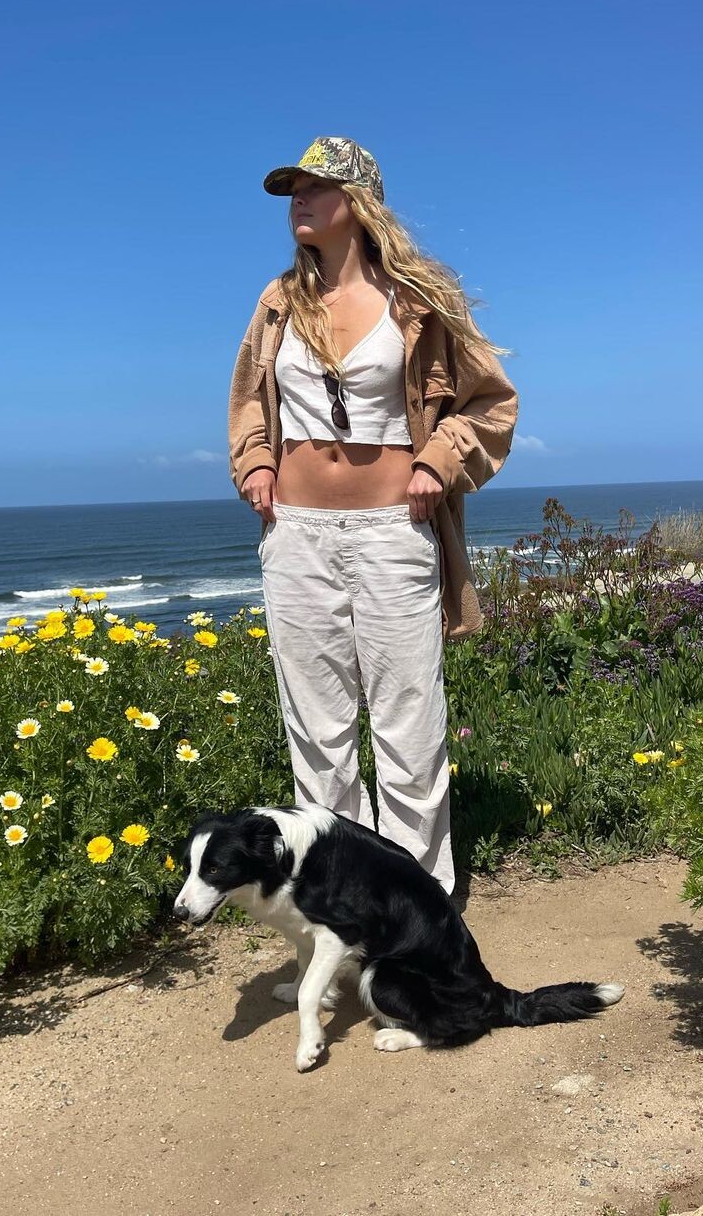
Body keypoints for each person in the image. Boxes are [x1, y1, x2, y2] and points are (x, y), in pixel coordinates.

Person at [227, 136, 518, 894]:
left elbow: (491, 403)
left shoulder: (418, 301)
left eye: (315, 186)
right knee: (316, 736)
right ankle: (342, 907)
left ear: (357, 203)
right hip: (296, 536)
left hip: (393, 534)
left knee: (409, 729)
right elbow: (248, 403)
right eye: (292, 189)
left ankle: (418, 912)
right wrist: (255, 464)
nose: (298, 199)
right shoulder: (278, 303)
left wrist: (436, 461)